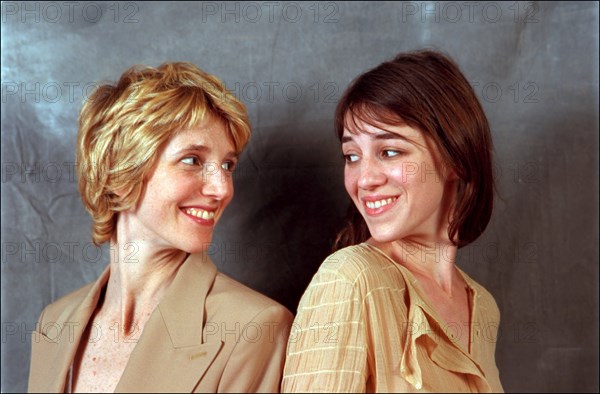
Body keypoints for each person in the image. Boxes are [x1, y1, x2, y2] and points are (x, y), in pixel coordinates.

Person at [28, 62, 293, 393]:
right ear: (119, 171)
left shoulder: (253, 328)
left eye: (227, 165)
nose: (222, 189)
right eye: (192, 160)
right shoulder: (54, 324)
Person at [282, 50, 504, 392]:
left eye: (389, 151)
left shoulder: (483, 306)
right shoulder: (349, 280)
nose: (364, 178)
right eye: (351, 156)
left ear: (455, 158)